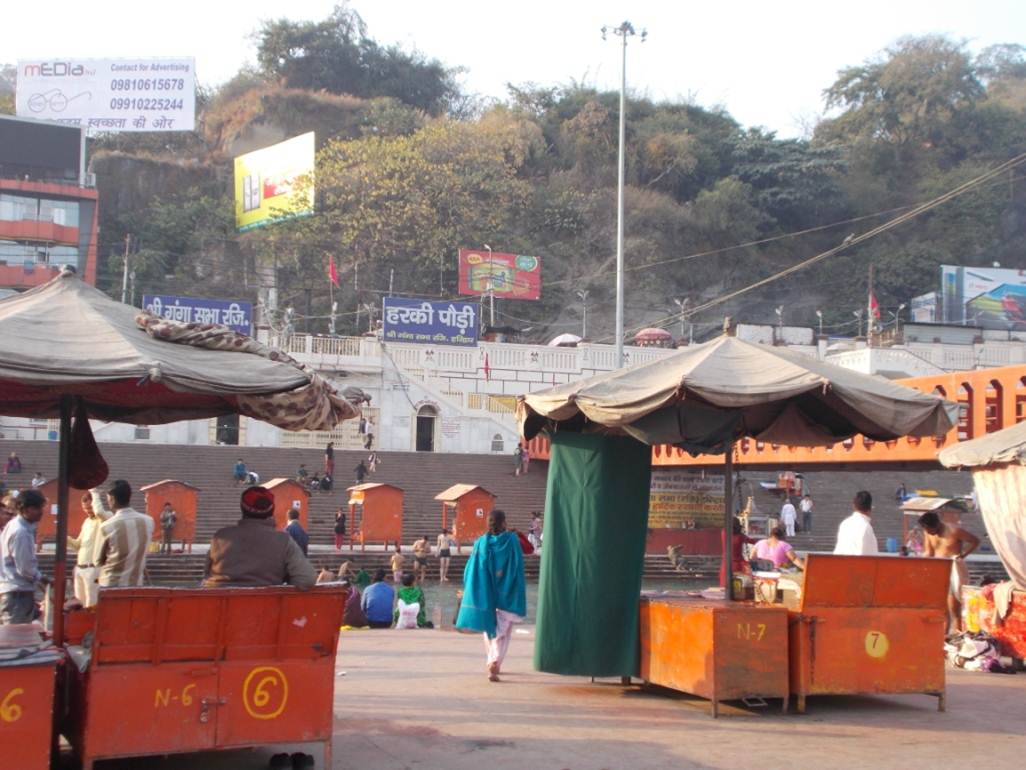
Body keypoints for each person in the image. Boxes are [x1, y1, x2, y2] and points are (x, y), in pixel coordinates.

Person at [456, 510, 526, 682]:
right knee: (503, 632)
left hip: (486, 592)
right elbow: (524, 556)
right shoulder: (512, 540)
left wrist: (470, 587)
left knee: (489, 629)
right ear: (504, 523)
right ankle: (494, 661)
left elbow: (470, 569)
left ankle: (492, 661)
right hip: (507, 592)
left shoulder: (481, 542)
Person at [204, 486, 316, 588]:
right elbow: (307, 579)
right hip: (265, 604)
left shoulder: (221, 536)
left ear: (242, 508)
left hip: (217, 603)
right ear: (271, 511)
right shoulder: (283, 540)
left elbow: (207, 572)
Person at [919, 511, 980, 633]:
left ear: (937, 524)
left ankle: (957, 638)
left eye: (931, 530)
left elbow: (975, 541)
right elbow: (929, 553)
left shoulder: (954, 531)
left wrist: (963, 555)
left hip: (952, 570)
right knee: (941, 609)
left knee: (954, 610)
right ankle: (941, 639)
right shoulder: (927, 532)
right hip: (937, 570)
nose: (930, 532)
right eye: (927, 530)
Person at [0, 489, 47, 624]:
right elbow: (25, 568)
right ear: (26, 509)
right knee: (16, 639)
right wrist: (43, 579)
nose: (41, 512)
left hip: (15, 591)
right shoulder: (20, 531)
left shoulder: (16, 525)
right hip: (16, 594)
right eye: (36, 508)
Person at [97, 480, 154, 588]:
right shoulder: (149, 521)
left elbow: (100, 560)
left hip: (110, 585)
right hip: (136, 585)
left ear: (112, 498)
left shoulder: (107, 526)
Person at [67, 490, 111, 607]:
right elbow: (78, 545)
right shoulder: (86, 522)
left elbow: (99, 512)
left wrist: (95, 493)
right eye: (85, 509)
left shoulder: (106, 518)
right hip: (80, 568)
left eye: (90, 508)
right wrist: (65, 538)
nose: (88, 511)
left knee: (92, 604)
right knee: (79, 605)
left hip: (93, 569)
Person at [833, 490, 879, 556]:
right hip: (857, 564)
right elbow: (869, 557)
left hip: (840, 563)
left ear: (854, 506)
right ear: (870, 509)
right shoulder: (866, 527)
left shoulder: (844, 523)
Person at [720, 517, 756, 588]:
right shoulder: (740, 536)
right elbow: (753, 541)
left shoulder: (723, 533)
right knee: (738, 586)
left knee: (725, 587)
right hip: (738, 564)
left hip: (725, 563)